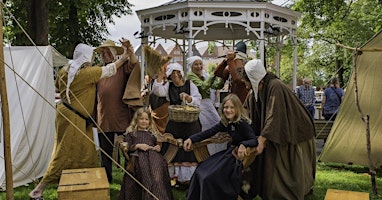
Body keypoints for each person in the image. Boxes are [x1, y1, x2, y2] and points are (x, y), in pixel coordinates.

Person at [29, 42, 131, 199]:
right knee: (63, 152)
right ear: (85, 57)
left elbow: (58, 86)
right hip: (73, 118)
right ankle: (38, 190)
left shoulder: (66, 70)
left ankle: (87, 187)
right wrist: (124, 58)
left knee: (87, 152)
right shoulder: (85, 74)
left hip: (73, 116)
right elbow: (109, 70)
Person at [241, 59, 316, 200]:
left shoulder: (275, 86)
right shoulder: (256, 90)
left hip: (295, 131)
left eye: (247, 82)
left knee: (286, 168)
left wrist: (262, 140)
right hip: (277, 132)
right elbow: (246, 109)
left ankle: (290, 192)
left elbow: (275, 115)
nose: (246, 87)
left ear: (255, 79)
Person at [183, 94, 258, 200]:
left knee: (208, 177)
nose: (228, 110)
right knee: (200, 170)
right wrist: (191, 139)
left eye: (232, 107)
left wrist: (243, 145)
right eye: (226, 107)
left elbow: (254, 140)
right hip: (227, 154)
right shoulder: (226, 123)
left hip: (235, 158)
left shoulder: (242, 123)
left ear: (237, 109)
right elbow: (210, 132)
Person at [95, 39, 140, 183]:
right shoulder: (99, 70)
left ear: (114, 54)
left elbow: (134, 64)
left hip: (121, 116)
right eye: (103, 52)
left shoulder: (121, 68)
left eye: (108, 51)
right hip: (103, 116)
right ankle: (106, 179)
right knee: (105, 151)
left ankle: (130, 177)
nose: (105, 54)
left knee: (127, 148)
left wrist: (129, 48)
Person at [151, 62, 202, 184]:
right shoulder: (168, 86)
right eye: (172, 74)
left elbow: (198, 99)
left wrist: (189, 98)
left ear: (181, 74)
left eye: (177, 73)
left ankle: (188, 179)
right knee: (172, 146)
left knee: (189, 148)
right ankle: (173, 178)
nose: (175, 76)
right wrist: (159, 76)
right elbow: (157, 91)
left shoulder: (190, 85)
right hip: (175, 121)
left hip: (191, 122)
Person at [118, 107, 174, 200]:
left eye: (146, 119)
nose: (144, 121)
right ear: (136, 120)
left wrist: (157, 147)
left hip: (153, 156)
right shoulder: (131, 133)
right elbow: (128, 146)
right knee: (145, 175)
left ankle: (160, 197)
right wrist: (138, 146)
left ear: (149, 121)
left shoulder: (151, 133)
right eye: (141, 119)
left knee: (157, 176)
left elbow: (156, 145)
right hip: (139, 156)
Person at [186, 56, 226, 155]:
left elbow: (217, 86)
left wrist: (223, 75)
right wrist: (215, 73)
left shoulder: (205, 75)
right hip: (199, 106)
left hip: (208, 105)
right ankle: (210, 152)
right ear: (191, 66)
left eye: (200, 64)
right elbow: (203, 86)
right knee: (209, 128)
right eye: (196, 64)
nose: (199, 66)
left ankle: (220, 151)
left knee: (217, 125)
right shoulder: (190, 76)